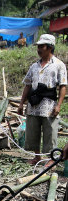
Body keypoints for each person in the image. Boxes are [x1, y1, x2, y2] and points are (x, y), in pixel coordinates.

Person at [18, 34, 67, 167]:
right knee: (33, 130)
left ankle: (51, 158)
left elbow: (63, 86)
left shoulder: (58, 65)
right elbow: (27, 84)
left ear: (50, 47)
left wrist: (59, 105)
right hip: (34, 104)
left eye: (42, 46)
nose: (39, 49)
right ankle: (36, 156)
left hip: (49, 104)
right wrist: (22, 103)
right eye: (38, 46)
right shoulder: (34, 66)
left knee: (50, 131)